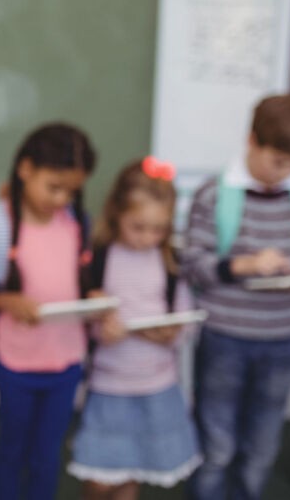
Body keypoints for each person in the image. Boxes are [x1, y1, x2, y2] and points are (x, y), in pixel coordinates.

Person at [183, 94, 290, 500]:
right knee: (216, 442)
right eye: (278, 161)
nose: (285, 173)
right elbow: (193, 265)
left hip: (286, 337)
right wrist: (246, 265)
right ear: (252, 141)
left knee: (263, 444)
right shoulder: (214, 195)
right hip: (225, 336)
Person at [0, 122, 98, 500]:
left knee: (47, 454)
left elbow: (81, 283)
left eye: (71, 191)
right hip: (16, 363)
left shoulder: (76, 224)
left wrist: (96, 299)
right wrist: (9, 301)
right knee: (12, 451)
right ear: (25, 169)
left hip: (66, 362)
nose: (61, 199)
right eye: (53, 187)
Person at [67, 158, 201, 499]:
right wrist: (100, 325)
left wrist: (172, 333)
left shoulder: (169, 261)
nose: (147, 238)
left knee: (133, 471)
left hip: (157, 384)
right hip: (109, 385)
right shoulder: (100, 257)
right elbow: (81, 320)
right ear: (117, 214)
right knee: (100, 478)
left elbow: (184, 318)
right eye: (138, 227)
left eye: (158, 230)